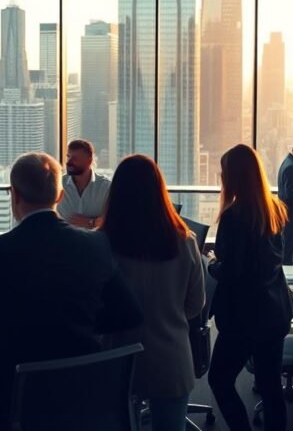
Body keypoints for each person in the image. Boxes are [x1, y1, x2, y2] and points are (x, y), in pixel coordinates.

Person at [0, 152, 142, 429]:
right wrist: (78, 324)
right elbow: (128, 315)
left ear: (15, 195)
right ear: (59, 197)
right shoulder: (95, 245)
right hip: (82, 399)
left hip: (11, 406)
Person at [100, 154, 205, 431]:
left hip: (116, 359)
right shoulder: (185, 241)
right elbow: (196, 304)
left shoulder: (101, 244)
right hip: (170, 358)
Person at [206, 144, 293, 431]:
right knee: (271, 386)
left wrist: (211, 264)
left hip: (243, 318)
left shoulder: (234, 217)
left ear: (234, 177)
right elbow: (265, 263)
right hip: (274, 312)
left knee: (219, 380)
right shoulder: (275, 210)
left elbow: (232, 272)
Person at [56, 139, 111, 229]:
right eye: (68, 156)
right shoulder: (58, 184)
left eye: (75, 158)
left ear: (89, 161)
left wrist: (91, 222)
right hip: (63, 242)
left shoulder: (106, 187)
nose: (69, 162)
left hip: (94, 242)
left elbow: (114, 218)